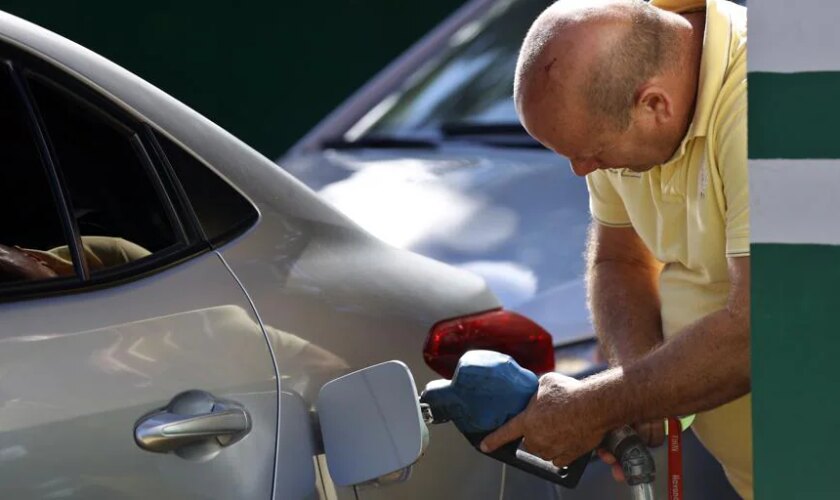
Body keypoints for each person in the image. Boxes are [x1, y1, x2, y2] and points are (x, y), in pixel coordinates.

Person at [479, 0, 751, 497]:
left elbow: (756, 334)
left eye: (592, 152)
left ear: (654, 105)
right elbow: (619, 258)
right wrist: (638, 386)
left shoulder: (760, 108)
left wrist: (600, 405)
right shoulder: (630, 66)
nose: (582, 170)